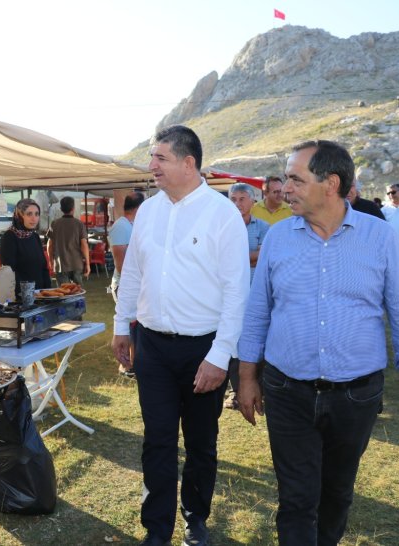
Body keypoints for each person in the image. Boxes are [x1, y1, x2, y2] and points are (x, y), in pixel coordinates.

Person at [237, 140, 399, 546]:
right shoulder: (277, 239)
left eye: (295, 178)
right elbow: (257, 313)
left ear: (330, 183)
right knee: (295, 499)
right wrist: (246, 378)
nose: (285, 187)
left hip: (356, 398)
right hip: (286, 391)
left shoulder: (378, 238)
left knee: (337, 495)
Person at [112, 126, 249, 546]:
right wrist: (122, 326)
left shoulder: (222, 214)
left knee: (202, 443)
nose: (151, 166)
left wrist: (220, 355)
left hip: (202, 350)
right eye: (152, 158)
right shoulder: (149, 211)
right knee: (157, 441)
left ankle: (196, 519)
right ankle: (156, 529)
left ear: (189, 164)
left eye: (160, 158)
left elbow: (236, 290)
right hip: (151, 345)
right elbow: (132, 273)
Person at [223, 182, 270, 410]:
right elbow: (220, 259)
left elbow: (263, 257)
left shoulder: (263, 227)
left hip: (256, 294)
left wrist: (238, 257)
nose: (238, 203)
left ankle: (257, 389)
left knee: (257, 340)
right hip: (229, 295)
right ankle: (236, 390)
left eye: (242, 198)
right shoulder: (222, 226)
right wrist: (250, 256)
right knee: (233, 341)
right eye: (233, 199)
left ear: (253, 201)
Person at [108, 191, 145, 378]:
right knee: (129, 327)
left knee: (136, 327)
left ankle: (132, 364)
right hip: (124, 284)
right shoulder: (121, 226)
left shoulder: (132, 225)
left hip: (135, 284)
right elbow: (121, 264)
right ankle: (126, 366)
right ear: (139, 208)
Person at [0, 198, 52, 291]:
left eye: (37, 214)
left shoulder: (35, 236)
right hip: (21, 297)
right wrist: (26, 294)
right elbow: (9, 272)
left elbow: (43, 268)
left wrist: (49, 292)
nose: (34, 218)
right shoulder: (9, 237)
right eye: (29, 214)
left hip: (41, 295)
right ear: (19, 215)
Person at [46, 196, 90, 285]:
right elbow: (84, 245)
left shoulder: (54, 224)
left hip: (60, 264)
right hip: (76, 263)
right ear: (73, 208)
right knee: (77, 293)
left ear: (61, 209)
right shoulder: (79, 224)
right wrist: (88, 264)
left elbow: (50, 244)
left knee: (64, 294)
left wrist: (50, 260)